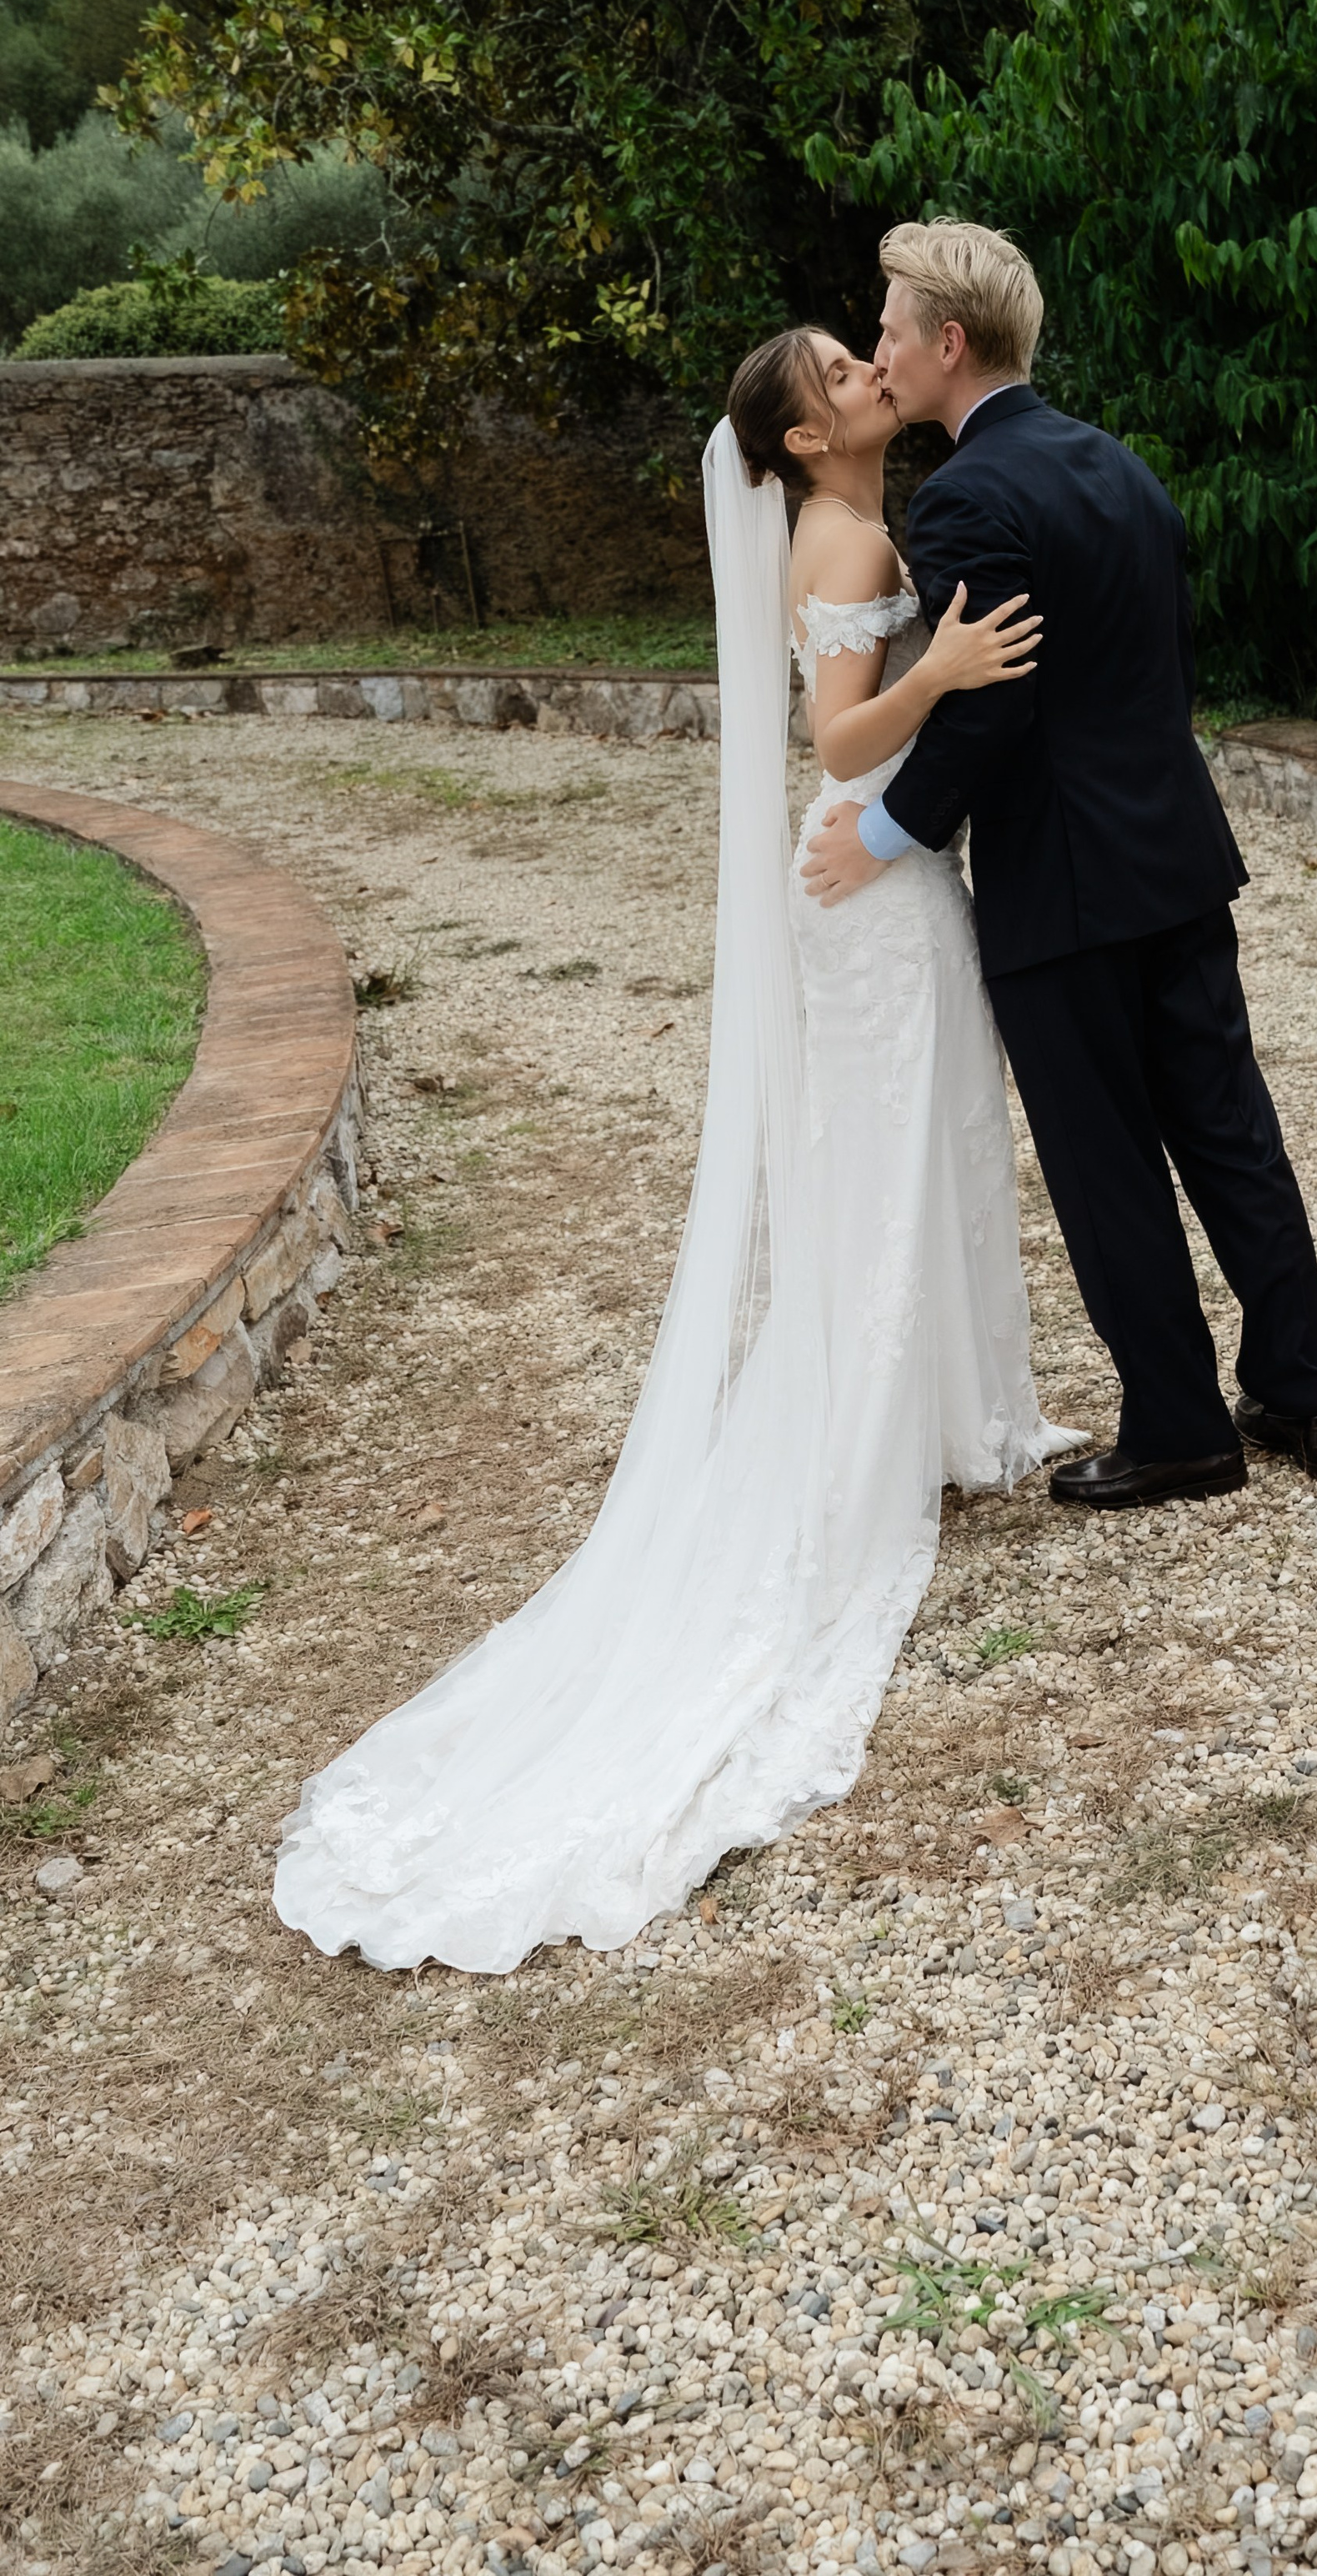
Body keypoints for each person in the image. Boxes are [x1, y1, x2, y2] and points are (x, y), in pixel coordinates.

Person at [273, 328, 1079, 1973]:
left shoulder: (860, 520)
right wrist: (941, 675)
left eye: (865, 356)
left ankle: (941, 1408)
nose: (867, 371)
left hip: (875, 879)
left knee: (909, 1160)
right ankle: (877, 1440)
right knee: (883, 1172)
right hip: (868, 879)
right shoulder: (842, 535)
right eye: (841, 371)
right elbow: (846, 739)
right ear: (795, 434)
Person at [803, 218, 1317, 1508]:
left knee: (1107, 1163)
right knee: (1230, 1135)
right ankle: (1300, 1395)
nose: (877, 351)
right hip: (1177, 860)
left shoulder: (969, 499)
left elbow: (986, 709)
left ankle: (1181, 1433)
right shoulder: (1121, 469)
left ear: (948, 341)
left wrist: (883, 835)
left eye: (887, 330)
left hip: (1066, 886)